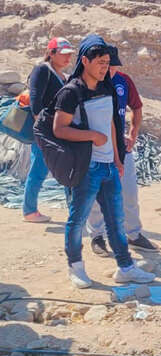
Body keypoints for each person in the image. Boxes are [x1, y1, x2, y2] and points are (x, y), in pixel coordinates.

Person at [53, 35, 155, 288]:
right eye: (100, 62)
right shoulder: (71, 92)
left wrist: (118, 157)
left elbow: (112, 123)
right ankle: (75, 266)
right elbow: (59, 129)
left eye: (108, 62)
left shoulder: (107, 87)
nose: (105, 67)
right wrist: (91, 136)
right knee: (78, 220)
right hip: (86, 167)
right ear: (84, 61)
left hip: (109, 165)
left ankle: (126, 267)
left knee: (115, 220)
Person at [85, 45, 158, 256]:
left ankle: (134, 234)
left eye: (113, 66)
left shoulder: (123, 81)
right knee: (96, 194)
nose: (111, 70)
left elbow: (137, 107)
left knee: (129, 193)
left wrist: (133, 133)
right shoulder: (87, 83)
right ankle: (97, 236)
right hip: (96, 148)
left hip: (122, 147)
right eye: (107, 66)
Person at [23, 37, 74, 223]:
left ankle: (73, 209)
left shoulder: (63, 76)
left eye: (70, 54)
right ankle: (29, 211)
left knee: (65, 169)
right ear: (51, 53)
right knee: (38, 169)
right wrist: (42, 129)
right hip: (45, 131)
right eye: (64, 54)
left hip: (57, 130)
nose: (68, 58)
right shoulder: (42, 69)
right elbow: (36, 101)